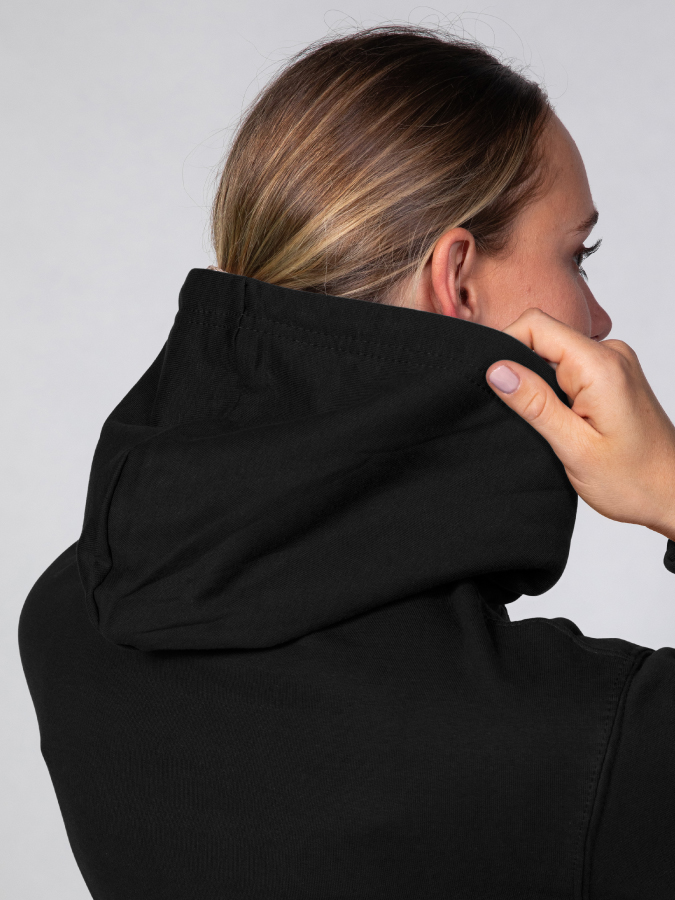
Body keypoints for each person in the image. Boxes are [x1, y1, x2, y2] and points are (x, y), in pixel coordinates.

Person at [18, 24, 675, 900]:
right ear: (457, 278)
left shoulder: (68, 622)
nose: (598, 319)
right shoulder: (588, 743)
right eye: (574, 255)